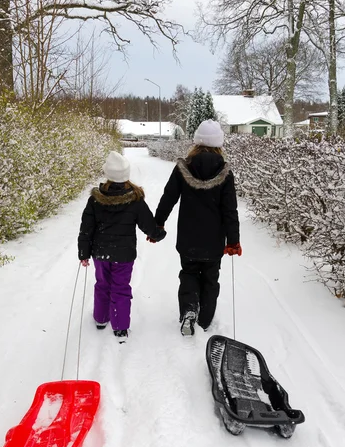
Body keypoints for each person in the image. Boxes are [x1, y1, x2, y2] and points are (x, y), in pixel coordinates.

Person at [154, 119, 241, 336]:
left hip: (188, 237)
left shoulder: (183, 168)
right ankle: (204, 319)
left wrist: (158, 222)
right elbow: (230, 210)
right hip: (213, 240)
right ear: (218, 144)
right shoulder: (225, 172)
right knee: (211, 278)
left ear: (196, 142)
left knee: (189, 273)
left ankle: (189, 310)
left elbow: (169, 197)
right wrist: (233, 241)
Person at [78, 151, 165, 341]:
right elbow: (148, 224)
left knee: (102, 284)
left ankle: (101, 319)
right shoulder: (134, 200)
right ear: (126, 175)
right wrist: (158, 234)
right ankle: (120, 326)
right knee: (121, 287)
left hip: (100, 253)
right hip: (124, 256)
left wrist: (84, 252)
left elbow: (86, 228)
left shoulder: (95, 199)